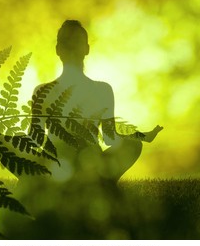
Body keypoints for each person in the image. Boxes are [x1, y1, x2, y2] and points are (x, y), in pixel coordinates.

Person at [26, 20, 163, 185]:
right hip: (58, 163)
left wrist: (139, 136)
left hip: (88, 163)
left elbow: (109, 136)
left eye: (75, 43)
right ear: (58, 50)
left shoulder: (102, 90)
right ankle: (96, 184)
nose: (72, 49)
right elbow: (33, 140)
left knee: (133, 145)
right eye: (68, 44)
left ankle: (70, 182)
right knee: (4, 146)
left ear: (86, 49)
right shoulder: (42, 91)